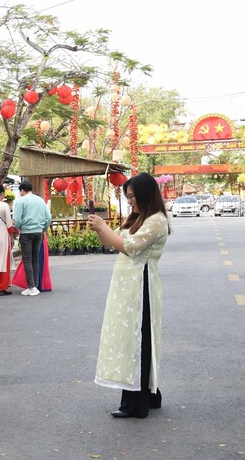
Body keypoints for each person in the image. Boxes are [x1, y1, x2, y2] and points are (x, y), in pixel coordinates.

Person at [88, 172, 170, 419]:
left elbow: (131, 248)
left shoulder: (156, 221)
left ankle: (137, 403)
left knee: (138, 342)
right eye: (128, 197)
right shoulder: (139, 218)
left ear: (146, 194)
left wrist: (104, 228)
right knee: (131, 339)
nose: (130, 201)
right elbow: (113, 242)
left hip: (140, 287)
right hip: (127, 285)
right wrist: (99, 227)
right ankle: (147, 395)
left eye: (132, 196)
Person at [12, 180, 52, 296]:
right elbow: (48, 217)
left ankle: (31, 287)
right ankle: (35, 284)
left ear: (22, 190)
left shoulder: (20, 201)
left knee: (27, 259)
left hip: (26, 232)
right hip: (39, 232)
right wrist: (44, 229)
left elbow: (17, 219)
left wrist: (17, 229)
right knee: (35, 259)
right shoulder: (40, 200)